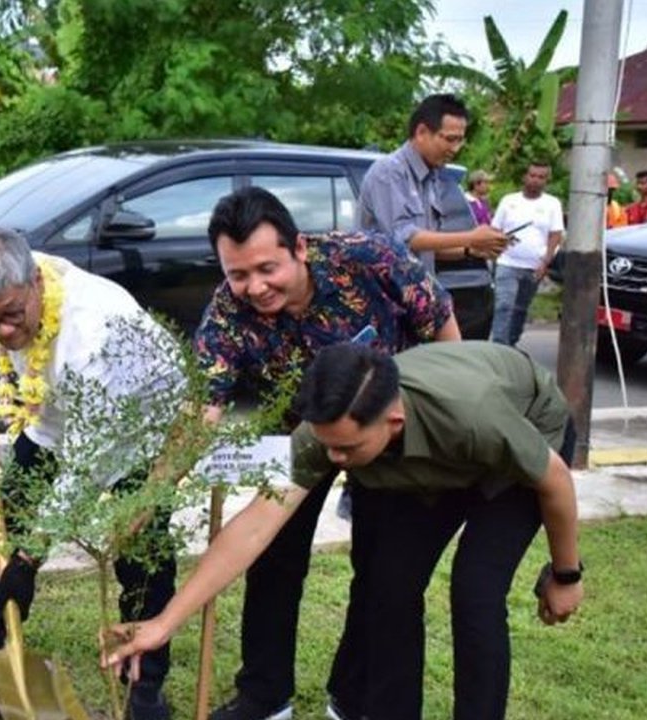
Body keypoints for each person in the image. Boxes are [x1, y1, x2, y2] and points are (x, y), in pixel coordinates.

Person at [104, 341, 584, 720]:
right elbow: (254, 526)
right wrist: (164, 623)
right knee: (388, 589)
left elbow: (556, 481)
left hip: (525, 435)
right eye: (328, 447)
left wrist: (565, 575)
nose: (334, 460)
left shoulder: (473, 416)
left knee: (475, 591)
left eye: (347, 450)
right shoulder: (324, 435)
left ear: (392, 422)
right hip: (436, 462)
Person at [194, 187, 460, 720]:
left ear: (298, 248)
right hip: (295, 438)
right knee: (272, 557)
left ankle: (352, 693)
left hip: (381, 434)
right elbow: (205, 404)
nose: (255, 287)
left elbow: (445, 335)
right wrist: (167, 479)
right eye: (238, 274)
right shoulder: (228, 309)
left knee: (379, 569)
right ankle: (265, 695)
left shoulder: (370, 259)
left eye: (267, 269)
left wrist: (442, 423)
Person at [0, 227, 182, 720]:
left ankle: (144, 676)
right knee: (9, 509)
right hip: (56, 413)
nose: (3, 330)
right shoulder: (14, 271)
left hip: (141, 424)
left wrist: (30, 557)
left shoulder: (94, 334)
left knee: (140, 547)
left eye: (11, 316)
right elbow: (2, 325)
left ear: (36, 284)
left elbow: (86, 466)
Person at [358, 93, 509, 340]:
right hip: (386, 305)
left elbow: (425, 248)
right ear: (421, 132)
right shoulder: (389, 173)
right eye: (449, 139)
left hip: (419, 302)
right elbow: (403, 239)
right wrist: (471, 237)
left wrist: (471, 250)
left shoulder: (432, 178)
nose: (455, 148)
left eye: (460, 140)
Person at [489, 162, 565, 347]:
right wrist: (500, 243)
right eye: (532, 175)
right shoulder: (509, 201)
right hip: (507, 262)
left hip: (534, 267)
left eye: (541, 177)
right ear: (525, 176)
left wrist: (545, 262)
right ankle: (498, 347)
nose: (536, 180)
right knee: (503, 305)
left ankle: (511, 344)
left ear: (546, 180)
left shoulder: (552, 204)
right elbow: (495, 229)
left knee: (520, 309)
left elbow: (556, 234)